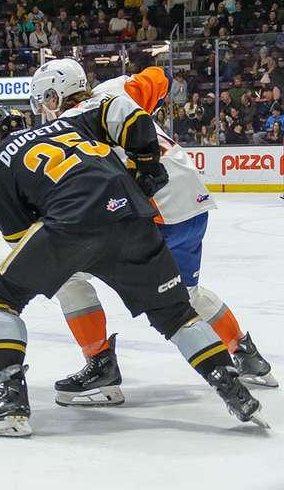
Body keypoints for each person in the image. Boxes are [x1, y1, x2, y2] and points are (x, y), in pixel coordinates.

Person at [0, 87, 265, 436]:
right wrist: (146, 165)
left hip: (72, 226)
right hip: (135, 216)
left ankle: (10, 398)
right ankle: (232, 386)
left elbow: (20, 241)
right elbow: (133, 117)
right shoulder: (69, 125)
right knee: (175, 312)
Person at [36, 64, 275, 404]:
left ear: (53, 96)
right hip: (192, 200)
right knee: (187, 292)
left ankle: (100, 366)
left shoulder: (68, 127)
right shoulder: (115, 90)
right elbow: (158, 76)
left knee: (68, 276)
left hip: (153, 213)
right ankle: (247, 353)